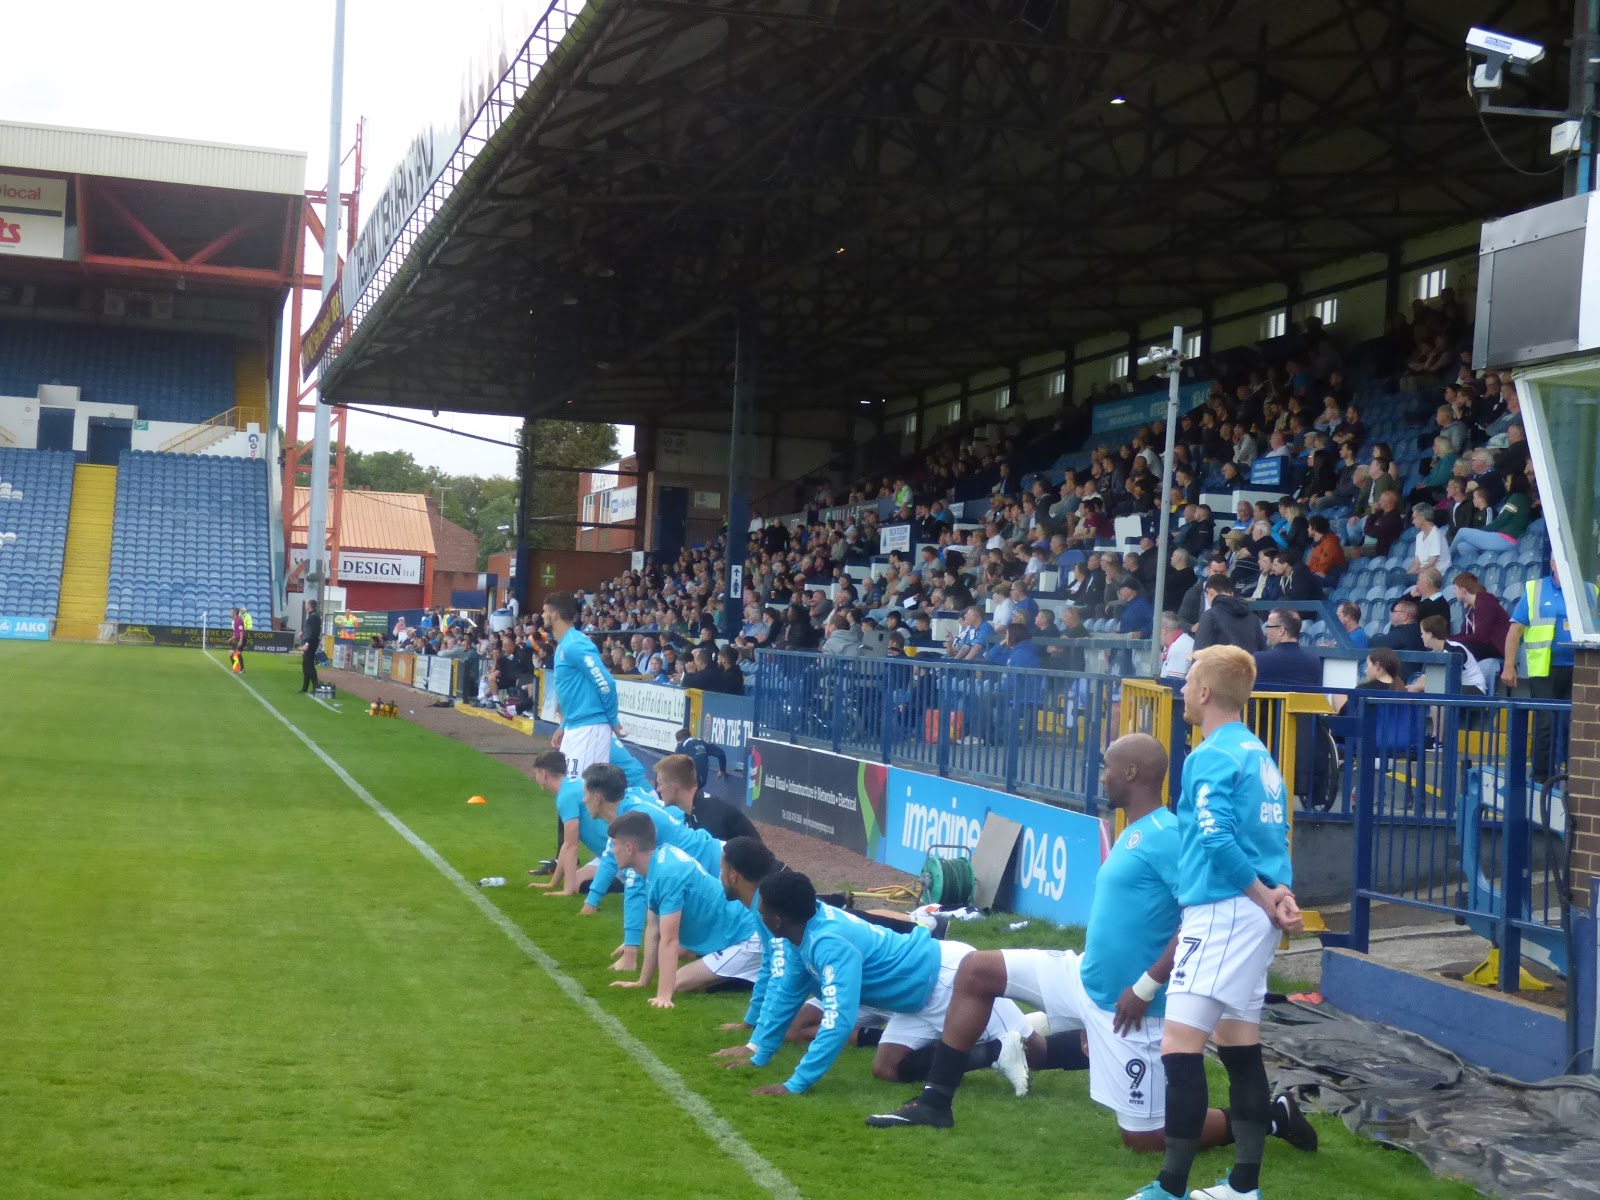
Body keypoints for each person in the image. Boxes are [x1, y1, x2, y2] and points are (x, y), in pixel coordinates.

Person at [867, 734, 1316, 1155]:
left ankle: (1271, 1117)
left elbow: (1199, 922)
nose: (1102, 775)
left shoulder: (1169, 837)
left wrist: (1144, 987)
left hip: (1131, 1006)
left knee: (1146, 1139)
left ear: (1133, 773)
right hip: (1083, 976)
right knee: (976, 970)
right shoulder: (1136, 830)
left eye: (1108, 767)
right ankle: (935, 1103)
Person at [1127, 645, 1303, 1200]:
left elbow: (1217, 836)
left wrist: (1259, 895)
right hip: (1250, 911)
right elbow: (1273, 839)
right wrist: (1278, 894)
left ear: (1205, 692)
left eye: (1187, 683)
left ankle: (1171, 1187)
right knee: (1239, 1041)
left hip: (1225, 910)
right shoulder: (1260, 755)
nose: (1180, 690)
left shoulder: (1210, 755)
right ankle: (1243, 1187)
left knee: (1179, 1045)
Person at [727, 870, 1034, 1095]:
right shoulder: (803, 932)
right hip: (913, 1000)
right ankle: (992, 1049)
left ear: (779, 919)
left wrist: (795, 1085)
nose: (759, 913)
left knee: (1036, 1051)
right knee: (886, 1068)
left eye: (763, 909)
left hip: (950, 980)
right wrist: (759, 1056)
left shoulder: (829, 943)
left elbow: (839, 1021)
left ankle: (1008, 1038)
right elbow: (789, 993)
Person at [606, 811, 763, 1004]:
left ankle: (752, 977)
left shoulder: (666, 875)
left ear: (629, 848)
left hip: (747, 938)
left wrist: (664, 995)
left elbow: (669, 939)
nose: (612, 851)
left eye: (615, 845)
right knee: (677, 972)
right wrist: (643, 982)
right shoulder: (657, 862)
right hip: (732, 931)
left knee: (678, 981)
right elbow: (653, 928)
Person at [579, 763, 722, 973]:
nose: (583, 800)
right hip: (710, 861)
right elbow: (610, 857)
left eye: (585, 794)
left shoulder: (634, 820)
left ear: (598, 797)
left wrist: (631, 951)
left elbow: (635, 888)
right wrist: (591, 902)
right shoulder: (629, 807)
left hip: (718, 866)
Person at [1503, 559, 1594, 781]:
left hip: (1581, 668)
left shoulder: (1591, 591)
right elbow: (1515, 631)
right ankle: (1541, 778)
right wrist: (1508, 666)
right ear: (1552, 564)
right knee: (1545, 725)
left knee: (1575, 724)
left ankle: (1575, 777)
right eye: (1559, 561)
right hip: (1545, 669)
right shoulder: (1536, 589)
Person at [544, 591, 626, 783]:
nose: (542, 615)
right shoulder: (566, 645)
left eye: (545, 611)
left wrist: (612, 719)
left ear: (555, 614)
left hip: (590, 727)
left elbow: (606, 682)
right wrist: (564, 725)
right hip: (576, 725)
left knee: (583, 789)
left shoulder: (575, 644)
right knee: (568, 787)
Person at [529, 750, 609, 896]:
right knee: (575, 879)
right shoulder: (573, 785)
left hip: (615, 854)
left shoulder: (565, 796)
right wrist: (553, 883)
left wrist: (567, 890)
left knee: (578, 885)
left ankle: (625, 883)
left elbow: (571, 846)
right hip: (608, 851)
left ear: (544, 774)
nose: (536, 778)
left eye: (536, 773)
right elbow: (566, 847)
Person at [654, 753, 760, 844]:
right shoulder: (695, 809)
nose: (658, 789)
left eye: (660, 784)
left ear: (674, 788)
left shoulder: (709, 815)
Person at [1414, 616, 1486, 696]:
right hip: (1453, 689)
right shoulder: (1431, 654)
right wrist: (1413, 688)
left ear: (1430, 634)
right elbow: (1423, 679)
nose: (1421, 636)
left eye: (1422, 633)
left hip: (1473, 690)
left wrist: (1418, 688)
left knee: (1437, 691)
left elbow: (1451, 679)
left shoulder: (1455, 649)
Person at [1191, 576, 1265, 654]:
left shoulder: (1209, 616)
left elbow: (1200, 654)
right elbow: (1263, 651)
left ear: (1210, 592)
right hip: (1248, 664)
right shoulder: (1252, 617)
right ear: (1231, 594)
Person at [1253, 608, 1321, 689]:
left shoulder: (1259, 659)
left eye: (1268, 627)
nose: (1265, 632)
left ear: (1281, 631)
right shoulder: (1314, 662)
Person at [1452, 573, 1510, 665]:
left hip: (1497, 647)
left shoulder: (1485, 604)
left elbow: (1481, 637)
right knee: (1451, 647)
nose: (1454, 592)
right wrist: (1446, 641)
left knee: (1459, 650)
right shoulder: (1472, 607)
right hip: (1484, 646)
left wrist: (1452, 642)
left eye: (1455, 589)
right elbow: (1464, 634)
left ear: (1463, 590)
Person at [1159, 612, 1194, 681]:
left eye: (1155, 629)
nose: (1153, 633)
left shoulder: (1179, 647)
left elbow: (1174, 684)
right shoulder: (1173, 643)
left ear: (1164, 630)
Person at [298, 599, 322, 694]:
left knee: (309, 665)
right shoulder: (313, 616)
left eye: (307, 604)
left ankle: (316, 687)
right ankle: (305, 687)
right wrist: (303, 633)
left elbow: (313, 632)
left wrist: (307, 643)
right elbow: (311, 630)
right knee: (306, 665)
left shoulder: (313, 617)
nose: (305, 606)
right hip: (311, 642)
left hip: (311, 643)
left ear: (309, 605)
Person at [229, 605, 246, 674]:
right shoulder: (235, 620)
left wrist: (240, 640)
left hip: (241, 638)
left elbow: (241, 631)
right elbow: (236, 632)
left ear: (234, 613)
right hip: (238, 638)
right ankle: (237, 668)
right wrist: (231, 639)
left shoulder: (238, 620)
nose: (229, 613)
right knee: (233, 653)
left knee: (236, 653)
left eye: (231, 612)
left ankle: (240, 669)